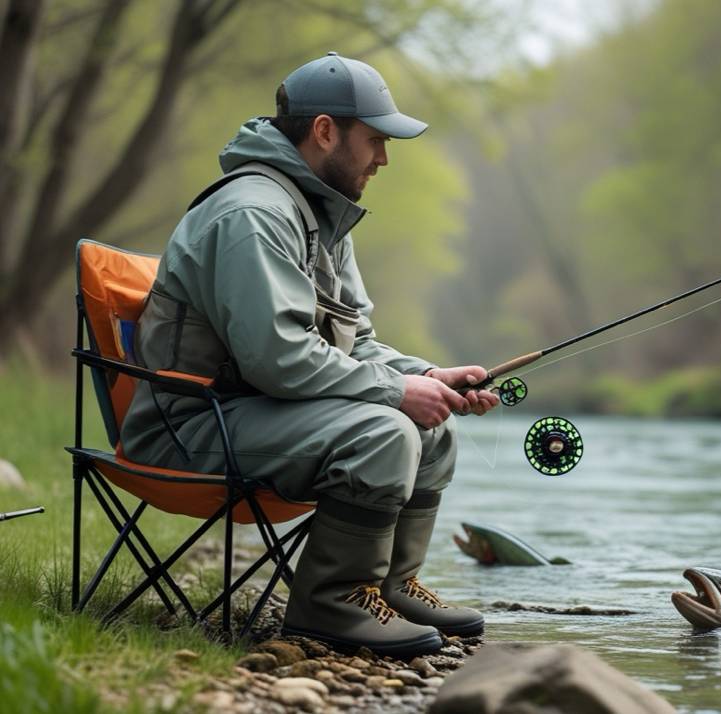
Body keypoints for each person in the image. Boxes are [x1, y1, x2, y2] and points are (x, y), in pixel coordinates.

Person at [121, 52, 499, 659]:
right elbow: (280, 360)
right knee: (385, 433)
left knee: (432, 431)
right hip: (190, 426)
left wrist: (425, 376)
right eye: (375, 139)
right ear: (325, 131)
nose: (384, 158)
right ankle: (332, 603)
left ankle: (389, 588)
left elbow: (358, 342)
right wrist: (396, 393)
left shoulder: (321, 214)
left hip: (259, 413)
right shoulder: (254, 214)